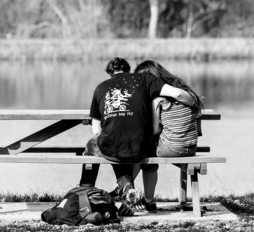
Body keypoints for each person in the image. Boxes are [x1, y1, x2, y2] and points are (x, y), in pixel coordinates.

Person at [79, 57, 195, 216]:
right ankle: (131, 191)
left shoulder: (101, 88)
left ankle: (84, 194)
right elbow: (178, 94)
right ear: (128, 70)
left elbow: (96, 130)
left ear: (109, 72)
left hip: (114, 146)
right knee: (128, 147)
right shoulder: (144, 79)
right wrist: (193, 103)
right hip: (142, 144)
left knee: (96, 146)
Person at [134, 60, 204, 157]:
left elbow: (155, 130)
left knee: (144, 148)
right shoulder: (183, 91)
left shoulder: (158, 99)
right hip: (191, 148)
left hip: (172, 150)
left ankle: (145, 170)